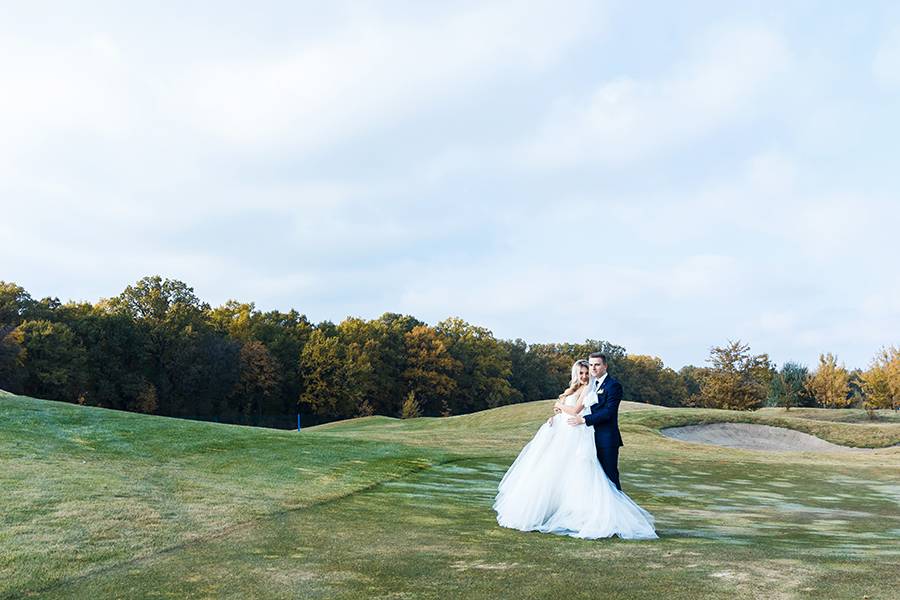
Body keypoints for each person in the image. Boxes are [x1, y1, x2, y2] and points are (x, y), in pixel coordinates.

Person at [493, 358, 656, 540]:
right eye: (583, 372)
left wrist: (560, 406)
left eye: (589, 370)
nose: (586, 375)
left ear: (604, 366)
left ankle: (614, 517)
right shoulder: (574, 389)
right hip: (565, 431)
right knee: (557, 471)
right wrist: (555, 416)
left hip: (579, 431)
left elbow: (580, 411)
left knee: (595, 474)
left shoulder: (596, 387)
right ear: (576, 374)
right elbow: (565, 410)